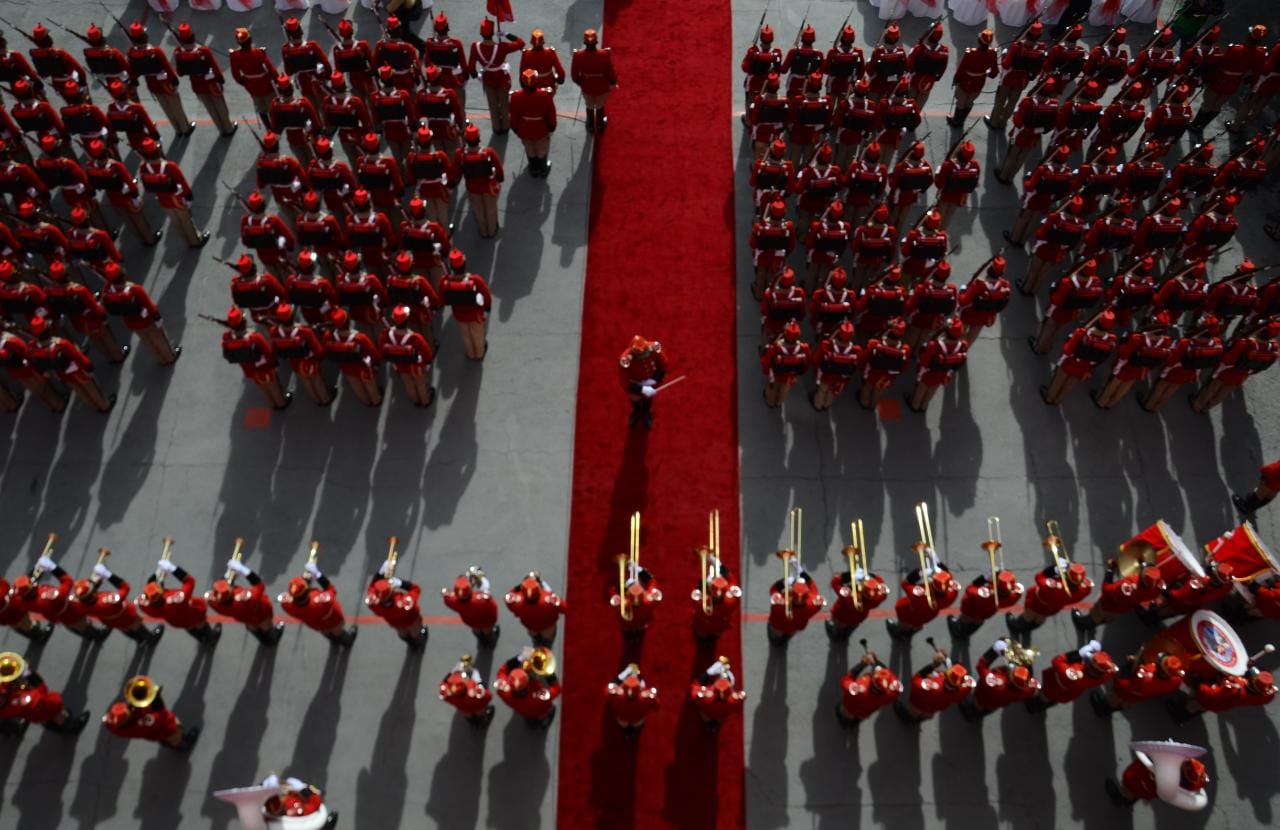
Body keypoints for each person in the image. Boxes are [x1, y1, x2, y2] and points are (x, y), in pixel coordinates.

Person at [28, 316, 112, 413]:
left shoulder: (34, 347)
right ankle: (104, 405)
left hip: (62, 373)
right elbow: (77, 356)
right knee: (91, 388)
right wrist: (88, 366)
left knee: (80, 391)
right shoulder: (61, 343)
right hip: (77, 370)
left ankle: (94, 406)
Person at [124, 22, 194, 136]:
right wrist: (174, 79)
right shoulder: (155, 51)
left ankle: (177, 129)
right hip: (165, 82)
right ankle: (185, 128)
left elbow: (134, 71)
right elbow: (167, 66)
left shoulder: (131, 53)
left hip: (151, 83)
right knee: (175, 106)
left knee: (165, 107)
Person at [74, 559, 164, 645]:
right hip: (125, 616)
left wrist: (95, 581)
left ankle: (139, 640)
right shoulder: (109, 600)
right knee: (136, 626)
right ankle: (150, 639)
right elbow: (125, 587)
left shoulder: (79, 605)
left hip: (109, 621)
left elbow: (87, 594)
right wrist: (107, 574)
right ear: (92, 593)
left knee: (124, 629)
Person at [137, 139, 207, 247]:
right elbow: (183, 183)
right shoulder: (170, 166)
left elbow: (146, 186)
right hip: (177, 198)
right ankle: (196, 241)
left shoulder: (143, 168)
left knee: (176, 222)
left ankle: (187, 241)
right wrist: (189, 197)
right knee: (186, 221)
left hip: (162, 200)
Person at [138, 556, 221, 645]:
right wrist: (172, 568)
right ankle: (210, 638)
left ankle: (200, 639)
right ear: (161, 592)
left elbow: (149, 591)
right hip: (193, 614)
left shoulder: (144, 605)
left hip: (176, 621)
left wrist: (156, 575)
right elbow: (189, 581)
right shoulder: (177, 600)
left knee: (188, 627)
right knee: (201, 624)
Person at [172, 23, 236, 137]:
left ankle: (220, 129)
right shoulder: (203, 50)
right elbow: (214, 66)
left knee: (210, 108)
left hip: (197, 85)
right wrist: (220, 79)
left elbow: (180, 73)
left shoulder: (178, 53)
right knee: (220, 105)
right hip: (211, 83)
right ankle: (228, 127)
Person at [220, 306, 291, 410]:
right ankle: (281, 404)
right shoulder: (255, 337)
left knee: (262, 387)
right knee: (273, 386)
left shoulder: (227, 338)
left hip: (249, 369)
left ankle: (272, 405)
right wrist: (274, 363)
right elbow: (268, 353)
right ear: (243, 322)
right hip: (264, 367)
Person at [0, 652, 88, 735]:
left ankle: (59, 724)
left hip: (32, 708)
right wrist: (29, 674)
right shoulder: (16, 704)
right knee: (55, 714)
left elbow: (5, 686)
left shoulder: (4, 696)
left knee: (49, 717)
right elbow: (40, 692)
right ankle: (71, 727)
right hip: (39, 708)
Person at [278, 556, 357, 647]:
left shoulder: (286, 605)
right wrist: (317, 574)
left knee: (326, 632)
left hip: (316, 625)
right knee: (338, 631)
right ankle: (348, 642)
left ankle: (334, 641)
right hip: (333, 619)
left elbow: (293, 596)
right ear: (307, 591)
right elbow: (331, 590)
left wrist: (306, 581)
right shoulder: (321, 601)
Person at [1041, 312, 1117, 406]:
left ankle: (1049, 398)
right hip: (1085, 367)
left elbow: (1067, 350)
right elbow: (1102, 359)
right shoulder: (1111, 340)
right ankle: (1058, 400)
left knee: (1058, 380)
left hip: (1070, 362)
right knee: (1069, 385)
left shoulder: (1082, 333)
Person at [102, 676, 198, 750]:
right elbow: (162, 717)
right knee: (175, 734)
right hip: (165, 729)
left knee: (165, 738)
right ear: (126, 721)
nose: (128, 707)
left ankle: (168, 742)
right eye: (128, 712)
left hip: (153, 734)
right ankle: (181, 744)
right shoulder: (143, 725)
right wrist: (157, 699)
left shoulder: (111, 722)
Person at [207, 556, 284, 646]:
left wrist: (227, 577)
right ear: (231, 592)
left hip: (244, 618)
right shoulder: (247, 599)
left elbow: (222, 590)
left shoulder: (213, 602)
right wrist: (242, 569)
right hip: (260, 613)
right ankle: (271, 641)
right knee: (267, 627)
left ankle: (261, 639)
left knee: (252, 627)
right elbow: (259, 585)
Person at [1006, 559, 1092, 636]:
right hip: (1054, 608)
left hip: (1037, 601)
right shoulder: (1086, 588)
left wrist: (1053, 569)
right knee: (1041, 618)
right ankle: (1029, 628)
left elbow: (1039, 576)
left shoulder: (1052, 587)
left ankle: (1016, 629)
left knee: (1028, 615)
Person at [1026, 640, 1117, 713]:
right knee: (1055, 698)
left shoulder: (1074, 675)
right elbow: (1113, 668)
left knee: (1045, 695)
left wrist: (1078, 653)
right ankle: (1048, 703)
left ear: (1090, 666)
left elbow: (1057, 661)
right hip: (1071, 691)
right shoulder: (1107, 673)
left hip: (1056, 685)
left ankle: (1035, 706)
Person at [895, 647, 974, 723]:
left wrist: (933, 665)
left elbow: (915, 679)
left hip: (920, 703)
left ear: (947, 674)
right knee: (928, 714)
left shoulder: (931, 685)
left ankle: (908, 719)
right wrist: (946, 659)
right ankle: (919, 719)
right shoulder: (966, 688)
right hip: (936, 707)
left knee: (913, 712)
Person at [365, 556, 428, 650]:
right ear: (391, 593)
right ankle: (418, 642)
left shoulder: (373, 602)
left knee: (402, 632)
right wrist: (401, 583)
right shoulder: (403, 603)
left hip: (394, 622)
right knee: (415, 632)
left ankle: (410, 643)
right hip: (410, 620)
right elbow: (416, 589)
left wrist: (380, 573)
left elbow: (372, 587)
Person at [470, 22, 523, 134]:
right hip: (501, 78)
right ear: (493, 33)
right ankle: (505, 126)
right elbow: (520, 43)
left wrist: (476, 75)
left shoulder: (475, 47)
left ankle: (497, 128)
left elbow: (471, 66)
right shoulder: (501, 47)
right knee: (504, 104)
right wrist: (506, 34)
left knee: (492, 104)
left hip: (488, 78)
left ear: (481, 33)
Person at [324, 308, 383, 406]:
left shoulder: (328, 336)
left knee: (356, 386)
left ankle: (366, 401)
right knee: (370, 384)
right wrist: (377, 362)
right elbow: (373, 352)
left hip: (346, 365)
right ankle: (376, 400)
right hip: (362, 366)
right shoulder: (359, 337)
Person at [1092, 653, 1185, 715]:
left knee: (1115, 698)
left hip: (1128, 690)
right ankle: (1115, 708)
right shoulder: (1177, 679)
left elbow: (1129, 682)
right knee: (1125, 703)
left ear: (1162, 671)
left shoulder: (1146, 676)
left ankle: (1103, 709)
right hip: (1142, 695)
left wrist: (1129, 664)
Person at [1106, 752, 1208, 808]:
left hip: (1140, 778)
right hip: (1150, 790)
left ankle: (1121, 799)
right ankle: (1131, 800)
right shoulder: (1180, 786)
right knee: (1139, 792)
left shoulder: (1165, 769)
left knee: (1129, 787)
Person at [381, 306, 436, 407]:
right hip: (416, 366)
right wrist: (428, 362)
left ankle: (415, 400)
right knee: (421, 383)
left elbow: (382, 347)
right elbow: (426, 352)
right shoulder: (415, 337)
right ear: (407, 320)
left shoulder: (387, 334)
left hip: (400, 364)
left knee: (408, 383)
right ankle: (425, 400)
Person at [456, 124, 503, 238]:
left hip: (472, 187)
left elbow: (456, 171)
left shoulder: (460, 154)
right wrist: (500, 178)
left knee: (478, 210)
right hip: (488, 186)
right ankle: (492, 231)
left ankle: (483, 231)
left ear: (466, 139)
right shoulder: (488, 152)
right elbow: (499, 168)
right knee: (490, 209)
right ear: (478, 138)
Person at [494, 648, 560, 727]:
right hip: (541, 710)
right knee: (544, 713)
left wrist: (520, 658)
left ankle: (531, 722)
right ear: (528, 686)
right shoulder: (540, 697)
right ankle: (543, 720)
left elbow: (502, 671)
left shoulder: (502, 690)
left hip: (523, 711)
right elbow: (557, 688)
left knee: (528, 716)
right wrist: (549, 672)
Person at [509, 69, 557, 177]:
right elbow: (551, 113)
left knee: (529, 147)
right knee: (541, 148)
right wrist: (552, 126)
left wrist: (515, 128)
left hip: (524, 128)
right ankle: (543, 169)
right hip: (541, 128)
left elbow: (513, 115)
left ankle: (534, 169)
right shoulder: (545, 95)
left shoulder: (515, 96)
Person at [836, 651, 901, 727]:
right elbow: (892, 677)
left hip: (850, 709)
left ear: (873, 679)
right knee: (859, 718)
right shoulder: (891, 693)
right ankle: (854, 724)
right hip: (865, 713)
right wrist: (876, 661)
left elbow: (845, 680)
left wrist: (863, 664)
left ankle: (845, 723)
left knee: (844, 714)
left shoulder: (859, 688)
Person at [691, 546, 741, 642]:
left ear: (709, 590)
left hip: (703, 625)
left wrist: (707, 578)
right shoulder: (732, 601)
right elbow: (728, 575)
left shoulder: (702, 602)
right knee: (717, 633)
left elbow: (698, 591)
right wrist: (714, 561)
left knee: (700, 635)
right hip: (720, 625)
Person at [229, 28, 279, 125]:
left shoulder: (235, 56)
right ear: (250, 40)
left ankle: (268, 127)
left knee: (261, 108)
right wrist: (277, 81)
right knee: (272, 106)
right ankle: (276, 126)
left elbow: (236, 75)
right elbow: (271, 69)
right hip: (266, 85)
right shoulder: (259, 53)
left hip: (252, 87)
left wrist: (245, 82)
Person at [571, 29, 617, 133]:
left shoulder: (578, 55)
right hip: (602, 86)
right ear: (596, 42)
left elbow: (574, 75)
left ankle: (590, 125)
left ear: (585, 42)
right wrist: (613, 82)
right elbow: (610, 70)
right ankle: (600, 124)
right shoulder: (604, 54)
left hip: (587, 86)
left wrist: (581, 82)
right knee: (600, 105)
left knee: (589, 105)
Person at [618, 335, 668, 429]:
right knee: (635, 398)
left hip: (652, 380)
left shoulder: (654, 347)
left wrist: (654, 380)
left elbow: (663, 365)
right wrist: (641, 388)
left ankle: (646, 411)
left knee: (648, 397)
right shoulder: (625, 359)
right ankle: (636, 411)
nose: (643, 357)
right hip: (635, 384)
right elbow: (624, 381)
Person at [442, 567, 500, 646]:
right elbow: (493, 608)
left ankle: (481, 640)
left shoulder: (450, 600)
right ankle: (490, 641)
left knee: (476, 629)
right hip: (486, 620)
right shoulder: (482, 600)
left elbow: (449, 596)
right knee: (487, 630)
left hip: (470, 621)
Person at [504, 572, 565, 645]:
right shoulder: (549, 600)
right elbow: (564, 608)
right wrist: (550, 592)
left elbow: (509, 596)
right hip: (547, 627)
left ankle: (536, 645)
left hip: (531, 627)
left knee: (535, 639)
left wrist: (520, 586)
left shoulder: (515, 602)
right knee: (548, 642)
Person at [689, 657, 746, 732]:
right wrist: (731, 681)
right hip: (721, 716)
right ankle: (716, 725)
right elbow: (738, 705)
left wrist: (708, 673)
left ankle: (708, 724)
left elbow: (694, 686)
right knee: (721, 718)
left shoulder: (704, 697)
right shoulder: (736, 700)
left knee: (705, 716)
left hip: (707, 713)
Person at [440, 654, 495, 726]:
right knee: (480, 712)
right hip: (478, 706)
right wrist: (479, 681)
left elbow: (444, 683)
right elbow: (488, 696)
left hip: (463, 708)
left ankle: (472, 722)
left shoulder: (446, 694)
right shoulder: (471, 688)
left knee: (467, 714)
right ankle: (482, 722)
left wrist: (453, 670)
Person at [606, 664, 659, 737]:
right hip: (637, 720)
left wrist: (624, 673)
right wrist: (639, 677)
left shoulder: (615, 695)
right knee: (637, 723)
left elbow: (608, 692)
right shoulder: (647, 697)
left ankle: (625, 731)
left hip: (622, 719)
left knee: (623, 724)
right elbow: (656, 706)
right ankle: (633, 731)